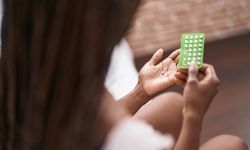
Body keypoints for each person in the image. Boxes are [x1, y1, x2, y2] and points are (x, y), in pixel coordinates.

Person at [0, 0, 248, 150]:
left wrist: (141, 91)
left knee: (171, 104)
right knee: (231, 146)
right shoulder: (111, 126)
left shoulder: (27, 83)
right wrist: (195, 114)